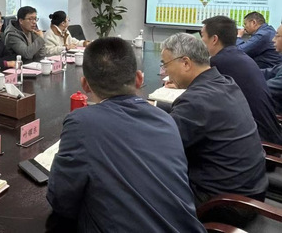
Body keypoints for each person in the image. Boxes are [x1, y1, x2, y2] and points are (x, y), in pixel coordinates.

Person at [47, 38, 204, 233]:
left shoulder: (81, 122)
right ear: (139, 79)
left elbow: (61, 200)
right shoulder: (166, 120)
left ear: (85, 85)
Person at [161, 33, 267, 209]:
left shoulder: (196, 101)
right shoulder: (225, 83)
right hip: (251, 192)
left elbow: (161, 145)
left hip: (222, 203)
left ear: (185, 63)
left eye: (165, 64)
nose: (164, 71)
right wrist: (155, 108)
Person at [201, 16, 282, 144]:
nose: (201, 40)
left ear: (214, 39)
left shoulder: (221, 61)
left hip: (259, 140)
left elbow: (199, 91)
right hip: (266, 130)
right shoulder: (237, 55)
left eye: (202, 36)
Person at [262, 23, 282, 113]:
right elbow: (270, 72)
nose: (273, 40)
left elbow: (264, 90)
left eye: (277, 36)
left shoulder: (262, 34)